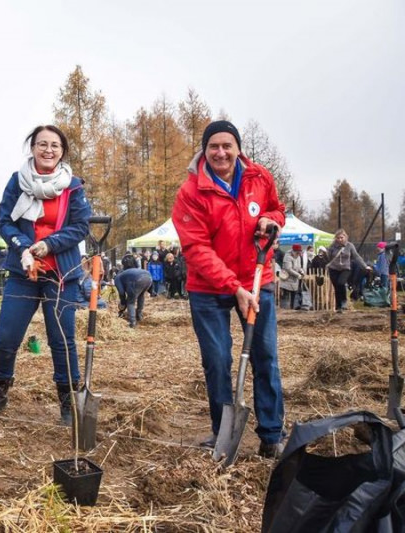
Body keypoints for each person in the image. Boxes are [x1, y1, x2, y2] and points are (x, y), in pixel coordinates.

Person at [171, 120, 286, 458]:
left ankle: (271, 433)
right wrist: (233, 286)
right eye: (213, 147)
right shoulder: (191, 192)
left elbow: (278, 209)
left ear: (238, 148)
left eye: (227, 145)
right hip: (208, 288)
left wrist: (271, 220)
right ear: (204, 151)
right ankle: (223, 432)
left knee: (265, 356)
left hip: (257, 279)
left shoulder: (260, 177)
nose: (220, 152)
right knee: (218, 359)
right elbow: (196, 249)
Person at [0, 125, 91, 426]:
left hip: (60, 274)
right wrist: (25, 247)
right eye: (42, 144)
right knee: (6, 336)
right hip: (22, 270)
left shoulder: (73, 186)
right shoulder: (18, 181)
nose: (48, 150)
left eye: (55, 145)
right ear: (32, 148)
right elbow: (4, 221)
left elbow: (81, 227)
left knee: (62, 339)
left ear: (62, 151)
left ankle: (68, 401)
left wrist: (49, 244)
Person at [326, 229, 371, 313]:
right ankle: (338, 306)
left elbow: (357, 257)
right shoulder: (333, 246)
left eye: (341, 237)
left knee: (341, 283)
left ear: (345, 237)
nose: (340, 239)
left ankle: (344, 302)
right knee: (336, 287)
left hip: (345, 268)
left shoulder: (350, 246)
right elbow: (328, 258)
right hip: (333, 269)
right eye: (338, 238)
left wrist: (365, 266)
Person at [114, 255, 152, 327]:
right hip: (148, 277)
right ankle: (139, 316)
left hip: (137, 280)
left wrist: (123, 302)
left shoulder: (118, 278)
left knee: (130, 302)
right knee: (141, 295)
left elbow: (121, 293)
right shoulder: (134, 270)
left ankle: (132, 322)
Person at [279, 244, 306, 310]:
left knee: (294, 295)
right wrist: (298, 275)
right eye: (298, 251)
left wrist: (301, 270)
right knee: (286, 296)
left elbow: (299, 266)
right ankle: (284, 310)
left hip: (294, 280)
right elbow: (288, 269)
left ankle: (292, 309)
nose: (299, 253)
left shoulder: (298, 256)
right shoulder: (287, 257)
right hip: (287, 279)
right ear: (295, 251)